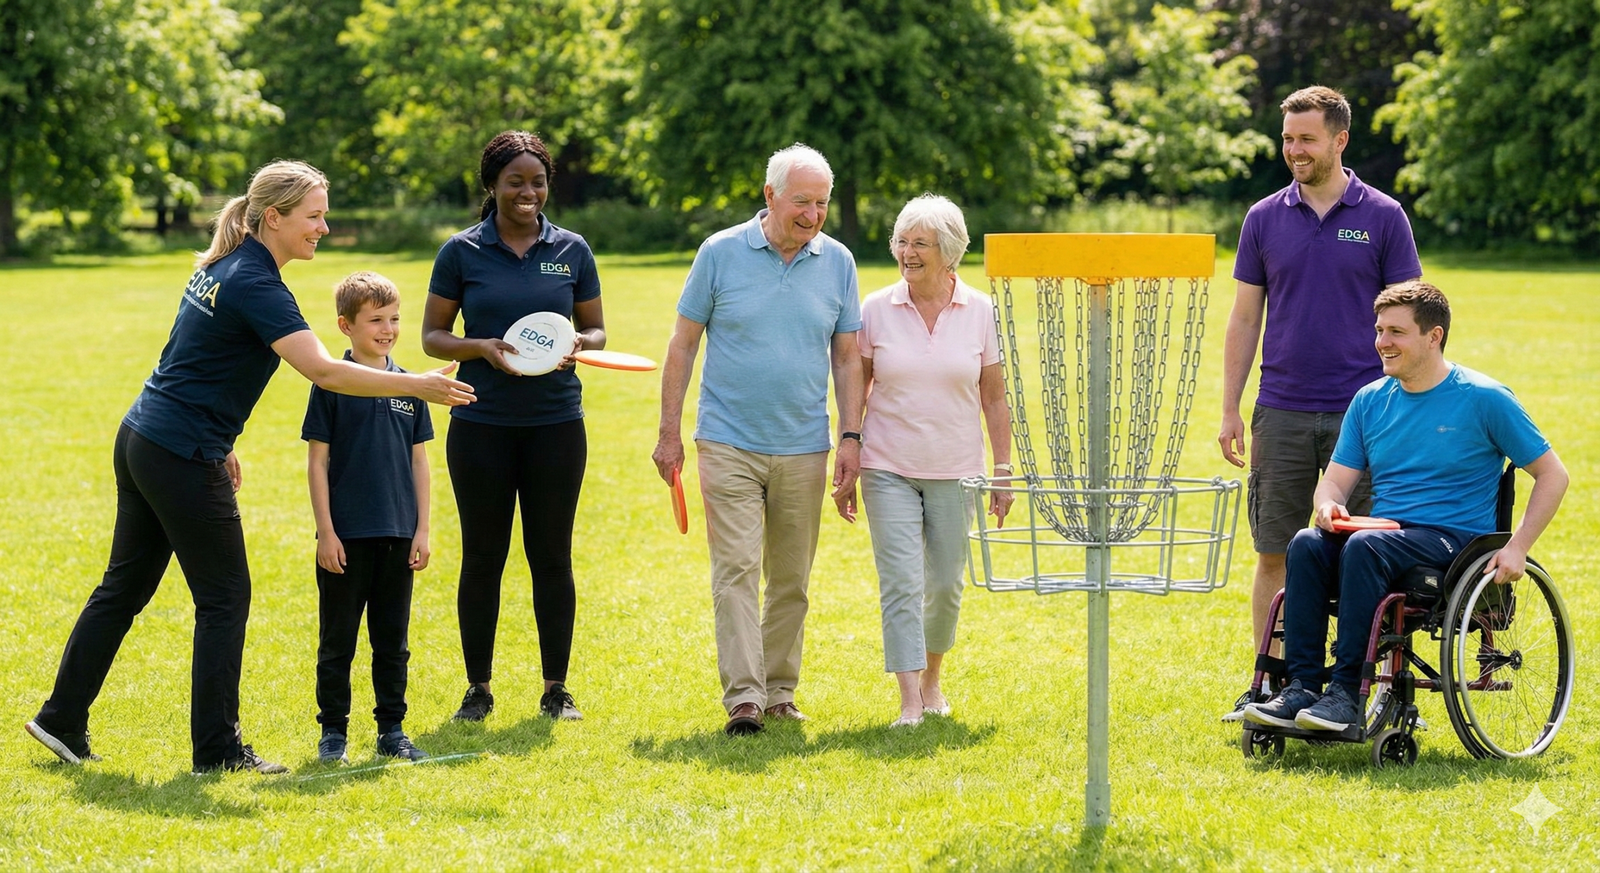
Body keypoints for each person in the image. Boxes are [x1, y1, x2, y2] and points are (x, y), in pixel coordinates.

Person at [23, 161, 474, 774]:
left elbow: (187, 356)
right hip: (177, 451)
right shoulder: (256, 283)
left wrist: (221, 435)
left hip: (146, 437)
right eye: (313, 216)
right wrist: (416, 385)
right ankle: (217, 749)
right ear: (275, 218)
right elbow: (323, 369)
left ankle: (60, 720)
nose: (323, 226)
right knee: (224, 597)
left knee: (123, 588)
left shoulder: (224, 268)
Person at [1243, 281, 1567, 732]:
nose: (1381, 342)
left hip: (1451, 542)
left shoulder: (1485, 398)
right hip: (1387, 532)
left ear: (1433, 336)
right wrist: (1327, 506)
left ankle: (1344, 696)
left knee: (1366, 547)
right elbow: (1334, 482)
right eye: (1378, 330)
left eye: (1396, 331)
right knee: (1306, 544)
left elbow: (1554, 475)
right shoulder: (1370, 400)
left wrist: (1517, 547)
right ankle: (1300, 687)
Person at [1218, 85, 1422, 720]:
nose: (1294, 150)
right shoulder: (1263, 218)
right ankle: (1272, 687)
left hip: (1367, 414)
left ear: (1340, 140)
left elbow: (1410, 319)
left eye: (1306, 138)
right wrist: (1230, 406)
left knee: (1364, 555)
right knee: (1276, 550)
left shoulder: (1384, 215)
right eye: (1287, 139)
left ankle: (1360, 688)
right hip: (1279, 409)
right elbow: (1245, 318)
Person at [652, 143, 863, 736]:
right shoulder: (719, 253)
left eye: (821, 203)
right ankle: (744, 697)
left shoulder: (838, 261)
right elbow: (683, 343)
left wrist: (851, 435)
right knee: (737, 568)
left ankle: (780, 692)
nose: (813, 214)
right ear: (769, 195)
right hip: (728, 441)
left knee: (791, 578)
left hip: (805, 444)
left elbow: (847, 357)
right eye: (802, 201)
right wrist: (669, 432)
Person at [422, 130, 604, 724]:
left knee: (552, 556)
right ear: (492, 186)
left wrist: (579, 342)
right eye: (515, 182)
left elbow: (598, 331)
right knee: (483, 557)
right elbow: (432, 337)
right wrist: (482, 347)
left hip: (556, 424)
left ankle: (556, 689)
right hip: (481, 423)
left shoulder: (572, 249)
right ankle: (478, 688)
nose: (529, 193)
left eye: (538, 181)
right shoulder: (461, 252)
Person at [854, 195, 1013, 728]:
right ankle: (907, 700)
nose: (907, 252)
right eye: (902, 241)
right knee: (900, 580)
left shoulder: (982, 311)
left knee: (945, 584)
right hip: (887, 465)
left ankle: (932, 679)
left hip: (956, 469)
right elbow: (858, 383)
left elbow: (994, 396)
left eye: (920, 243)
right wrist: (849, 448)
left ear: (949, 253)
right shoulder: (875, 308)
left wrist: (1003, 469)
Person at [303, 271, 434, 764]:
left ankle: (392, 730)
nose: (388, 328)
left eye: (395, 318)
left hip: (399, 534)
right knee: (337, 641)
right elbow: (318, 462)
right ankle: (333, 732)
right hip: (346, 537)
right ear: (346, 325)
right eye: (376, 319)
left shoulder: (411, 385)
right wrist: (327, 533)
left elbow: (420, 462)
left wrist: (422, 528)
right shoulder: (332, 383)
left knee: (392, 643)